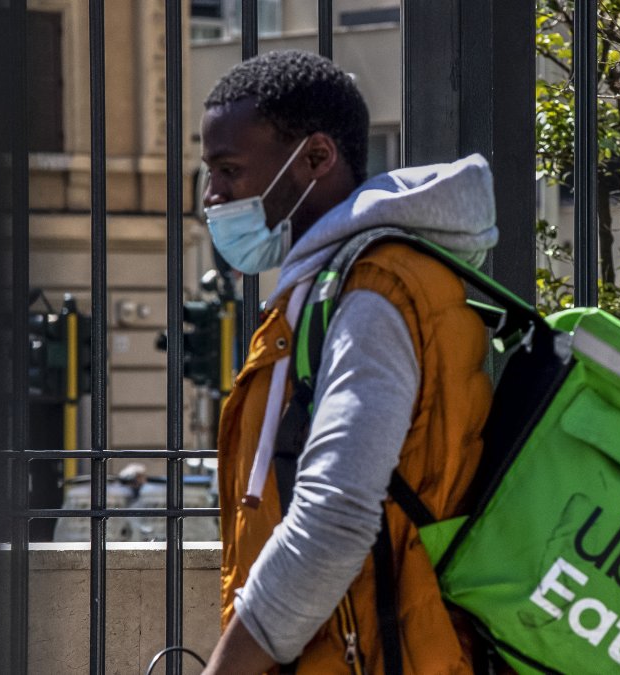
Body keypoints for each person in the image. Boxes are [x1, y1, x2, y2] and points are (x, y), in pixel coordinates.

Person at [200, 50, 498, 673]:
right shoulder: (340, 287)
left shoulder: (373, 295)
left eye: (229, 170)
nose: (212, 195)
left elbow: (334, 517)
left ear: (315, 158)